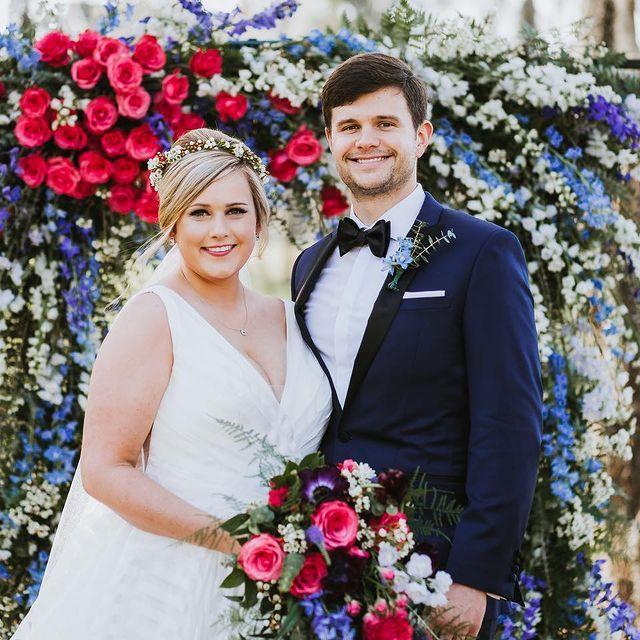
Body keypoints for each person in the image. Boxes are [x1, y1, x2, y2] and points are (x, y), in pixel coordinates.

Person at [12, 128, 332, 639]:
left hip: (294, 585)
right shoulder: (154, 317)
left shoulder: (293, 317)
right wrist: (234, 542)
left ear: (259, 219)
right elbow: (105, 469)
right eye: (199, 213)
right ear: (172, 223)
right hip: (170, 582)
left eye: (235, 211)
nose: (219, 230)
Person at [291, 53, 543, 639]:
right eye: (350, 126)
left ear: (421, 136)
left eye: (385, 123)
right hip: (327, 556)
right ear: (330, 141)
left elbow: (510, 422)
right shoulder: (308, 265)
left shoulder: (482, 252)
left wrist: (476, 574)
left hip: (439, 561)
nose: (366, 140)